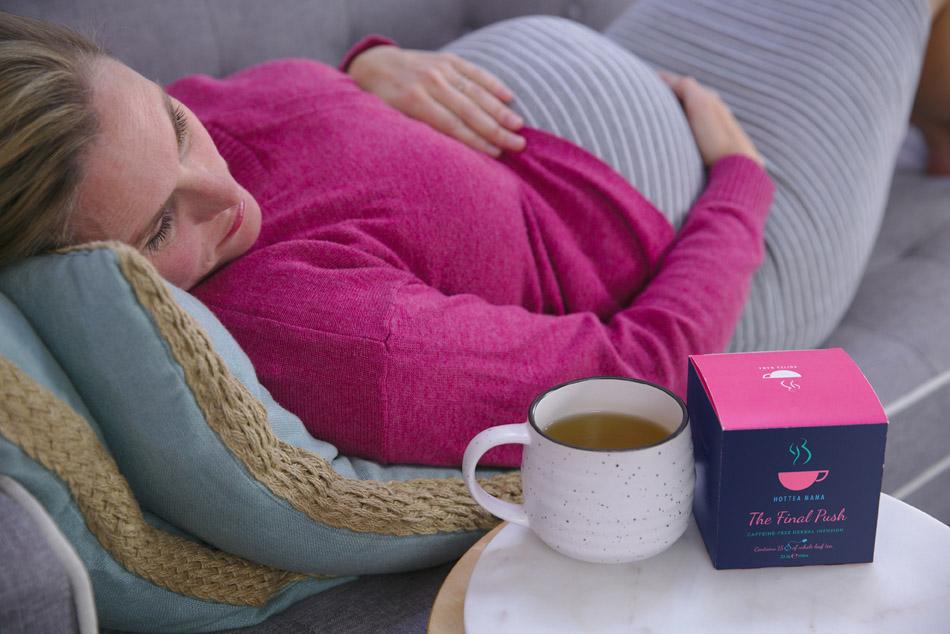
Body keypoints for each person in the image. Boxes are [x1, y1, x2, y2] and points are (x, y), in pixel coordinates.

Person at [0, 1, 934, 467]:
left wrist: (369, 67)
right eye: (165, 222)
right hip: (711, 241)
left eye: (174, 122)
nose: (224, 190)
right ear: (90, 275)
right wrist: (740, 180)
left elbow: (311, 137)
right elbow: (640, 376)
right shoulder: (330, 339)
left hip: (641, 98)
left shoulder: (122, 139)